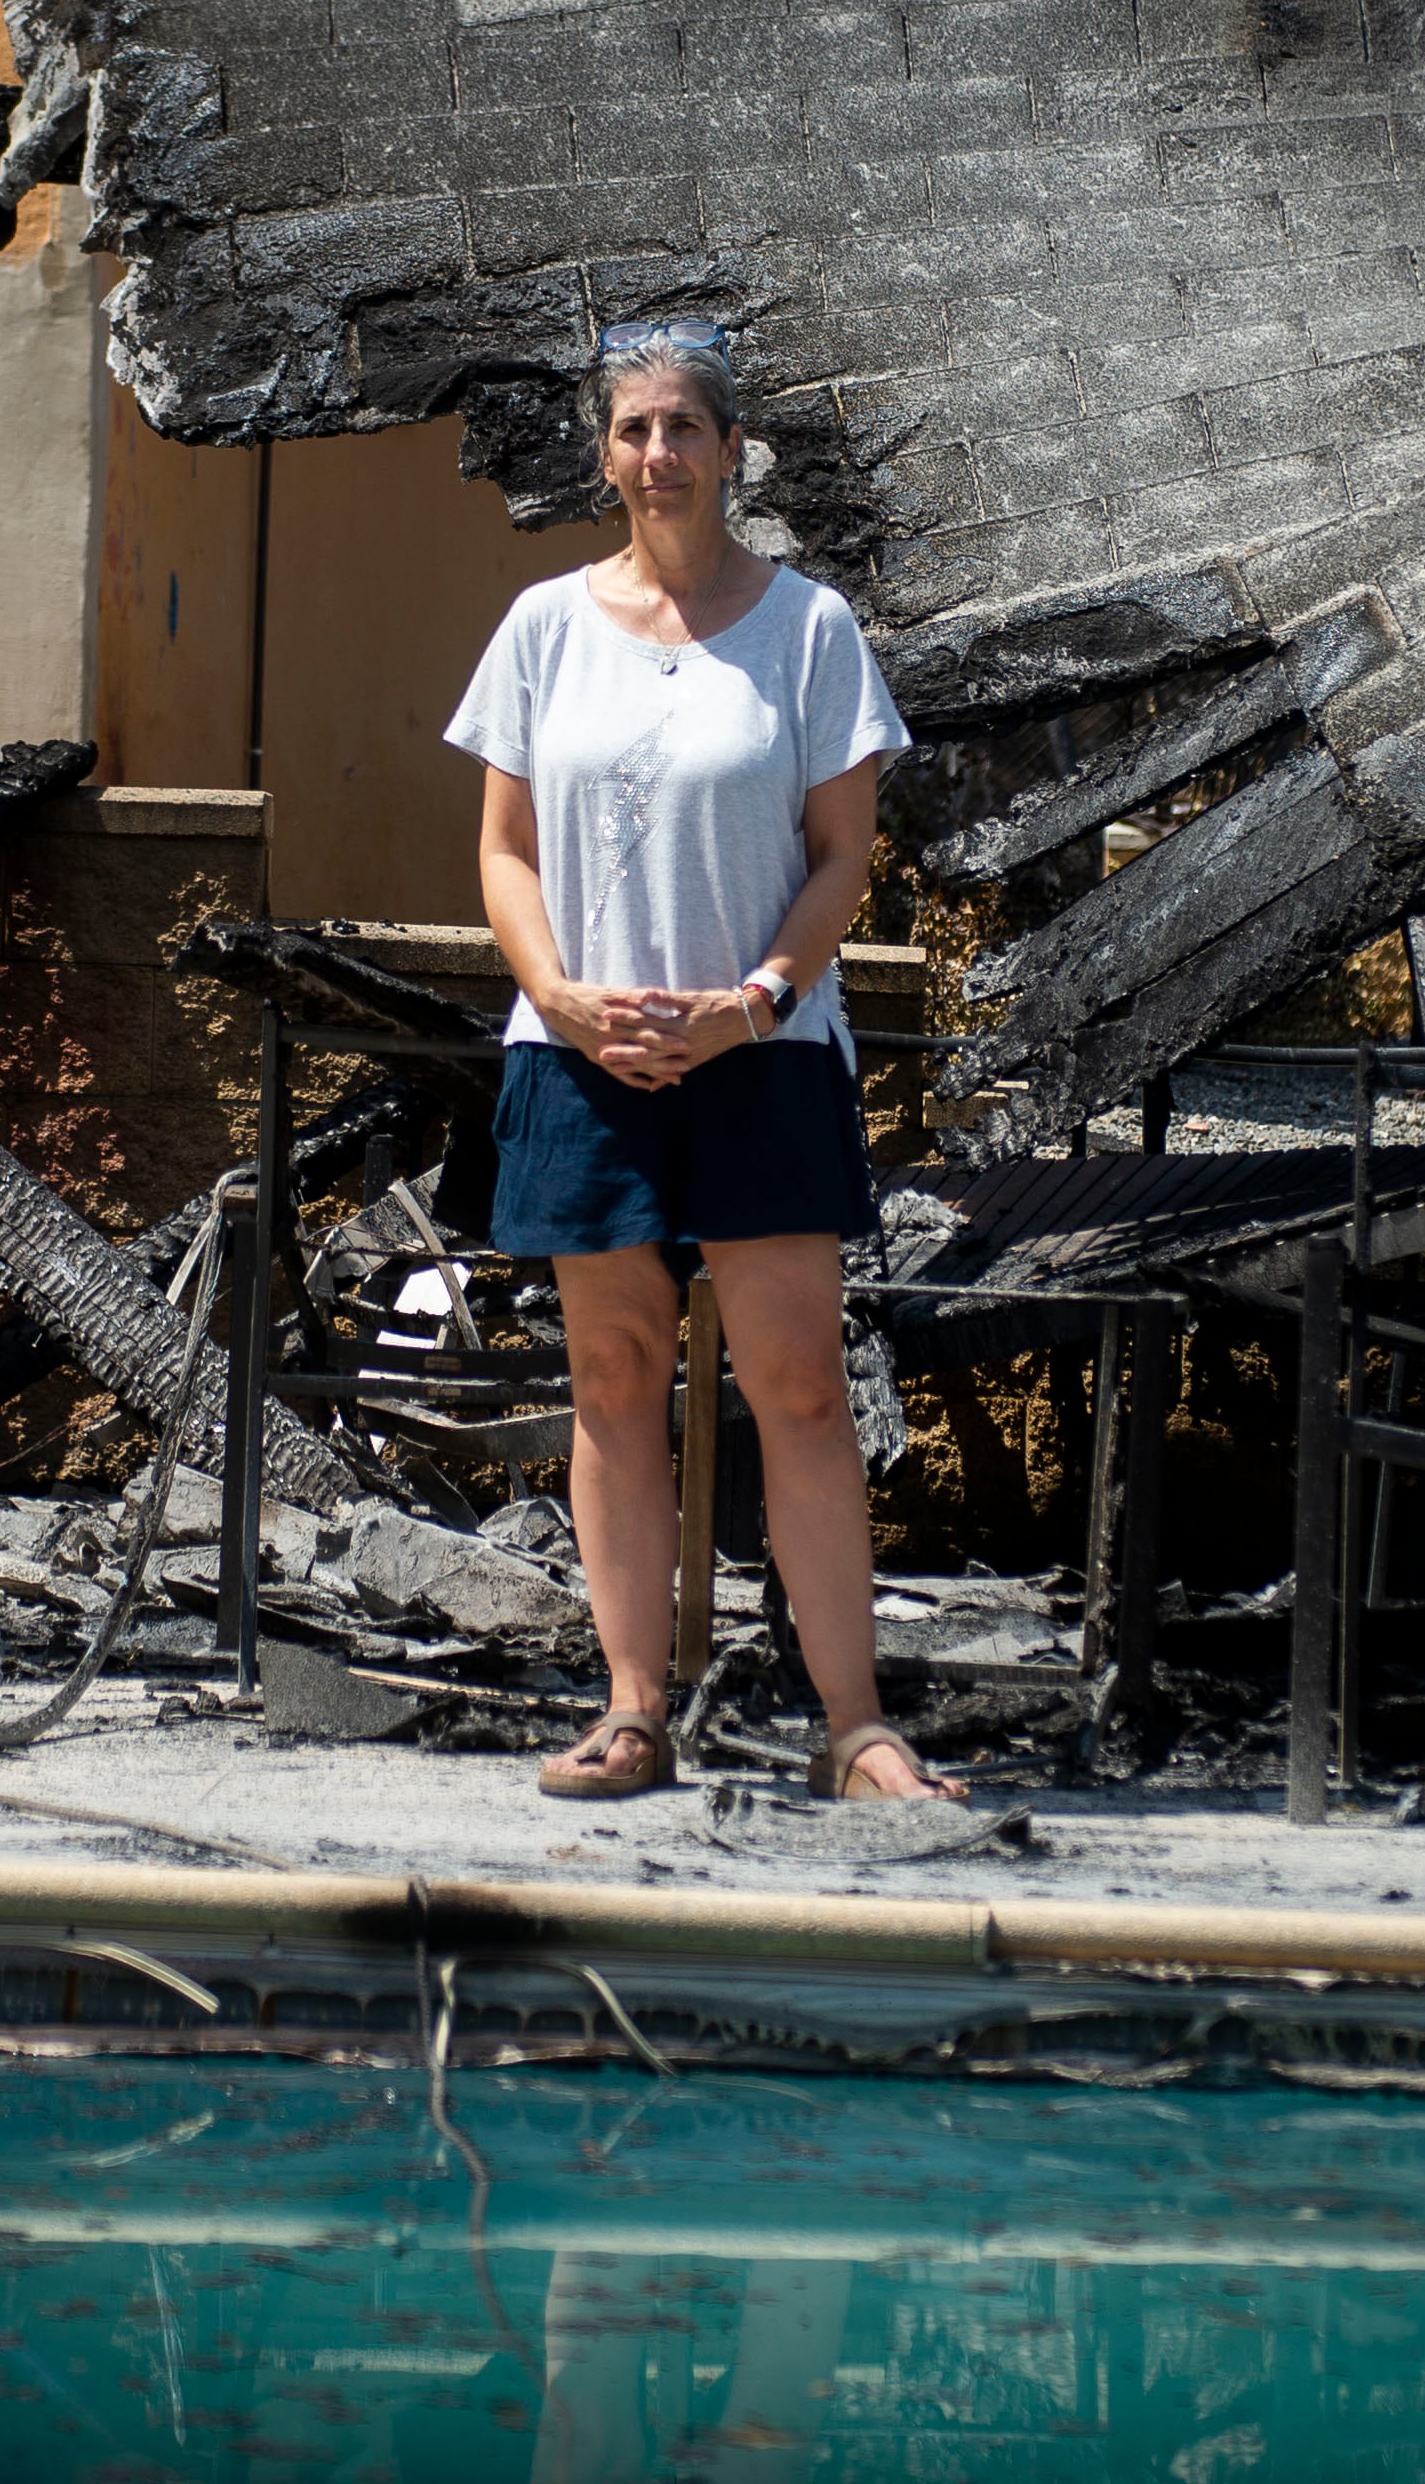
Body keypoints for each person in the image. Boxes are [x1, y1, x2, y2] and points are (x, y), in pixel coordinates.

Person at [445, 316, 957, 1806]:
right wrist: (560, 994)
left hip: (765, 1055)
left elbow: (843, 853)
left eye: (683, 428)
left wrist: (753, 1001)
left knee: (798, 1384)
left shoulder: (811, 632)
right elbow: (503, 852)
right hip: (581, 1056)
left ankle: (853, 1725)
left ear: (733, 450)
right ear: (604, 457)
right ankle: (629, 1710)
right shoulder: (542, 628)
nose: (657, 455)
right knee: (613, 1376)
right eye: (631, 431)